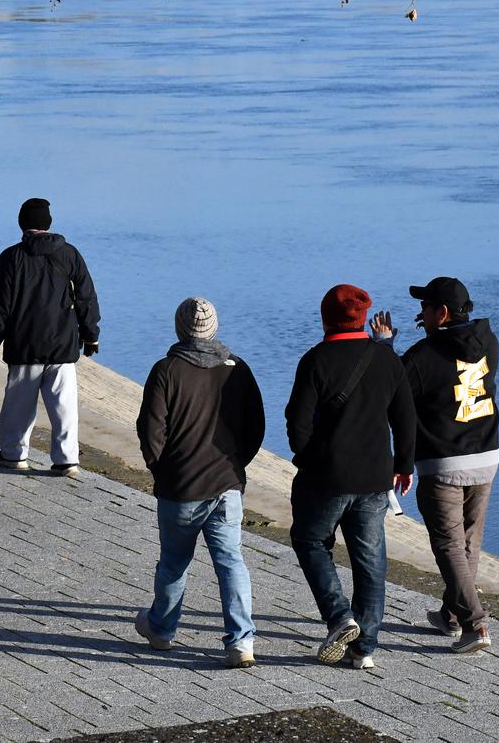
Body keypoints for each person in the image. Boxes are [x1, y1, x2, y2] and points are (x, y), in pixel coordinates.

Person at [285, 284, 415, 670]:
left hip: (326, 475)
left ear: (326, 317)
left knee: (309, 540)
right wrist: (403, 465)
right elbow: (405, 418)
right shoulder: (387, 360)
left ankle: (340, 617)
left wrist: (307, 459)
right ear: (362, 318)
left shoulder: (315, 360)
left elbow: (296, 423)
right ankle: (366, 649)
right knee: (370, 559)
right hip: (376, 478)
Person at [134, 297, 265, 669]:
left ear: (180, 329)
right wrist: (236, 465)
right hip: (226, 485)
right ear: (214, 329)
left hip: (181, 486)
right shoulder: (237, 368)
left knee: (174, 562)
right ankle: (241, 641)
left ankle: (161, 629)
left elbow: (151, 428)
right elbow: (256, 426)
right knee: (231, 562)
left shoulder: (166, 370)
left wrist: (160, 468)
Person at [372, 277, 499, 654]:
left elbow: (392, 390)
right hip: (487, 455)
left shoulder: (424, 356)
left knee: (448, 543)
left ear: (441, 313)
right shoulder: (489, 342)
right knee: (468, 542)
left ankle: (475, 624)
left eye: (425, 308)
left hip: (444, 462)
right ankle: (452, 615)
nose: (420, 314)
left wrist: (384, 347)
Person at [0, 198, 100, 478]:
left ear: (22, 223)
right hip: (63, 344)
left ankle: (13, 455)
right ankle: (66, 460)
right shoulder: (70, 254)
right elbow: (86, 298)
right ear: (48, 223)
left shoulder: (11, 257)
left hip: (23, 344)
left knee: (18, 406)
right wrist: (91, 334)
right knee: (64, 407)